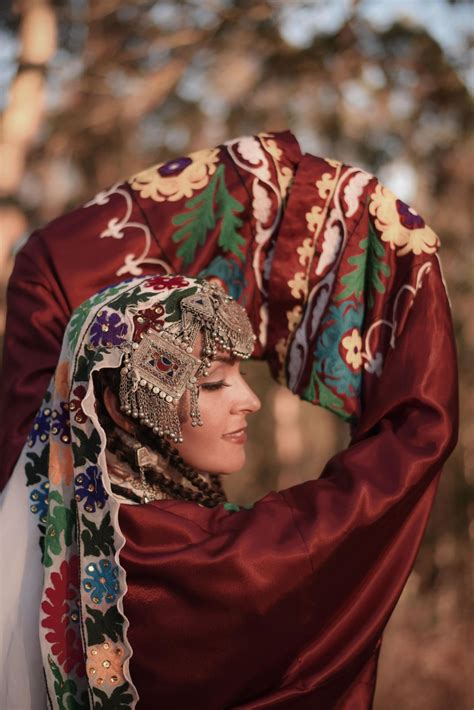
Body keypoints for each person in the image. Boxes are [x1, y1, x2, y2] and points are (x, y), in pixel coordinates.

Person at [1, 132, 458, 709]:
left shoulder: (37, 475)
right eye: (215, 382)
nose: (252, 401)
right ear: (119, 406)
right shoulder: (190, 565)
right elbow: (404, 457)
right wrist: (270, 190)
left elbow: (48, 278)